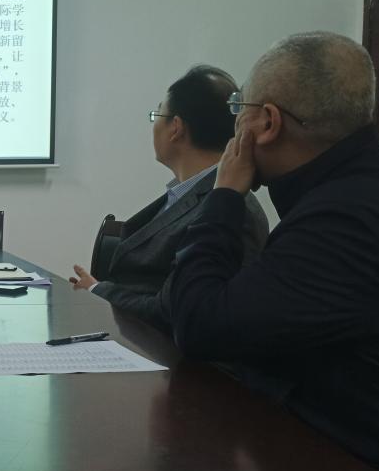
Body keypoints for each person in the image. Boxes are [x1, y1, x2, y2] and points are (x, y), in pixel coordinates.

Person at [170, 31, 379, 471]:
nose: (236, 124)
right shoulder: (377, 180)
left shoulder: (345, 221)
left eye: (239, 107)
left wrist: (224, 194)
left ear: (267, 122)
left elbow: (198, 324)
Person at [70, 66, 268, 330]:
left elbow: (172, 310)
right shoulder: (191, 191)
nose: (154, 126)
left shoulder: (229, 209)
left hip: (167, 353)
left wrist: (97, 290)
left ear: (176, 128)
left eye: (157, 115)